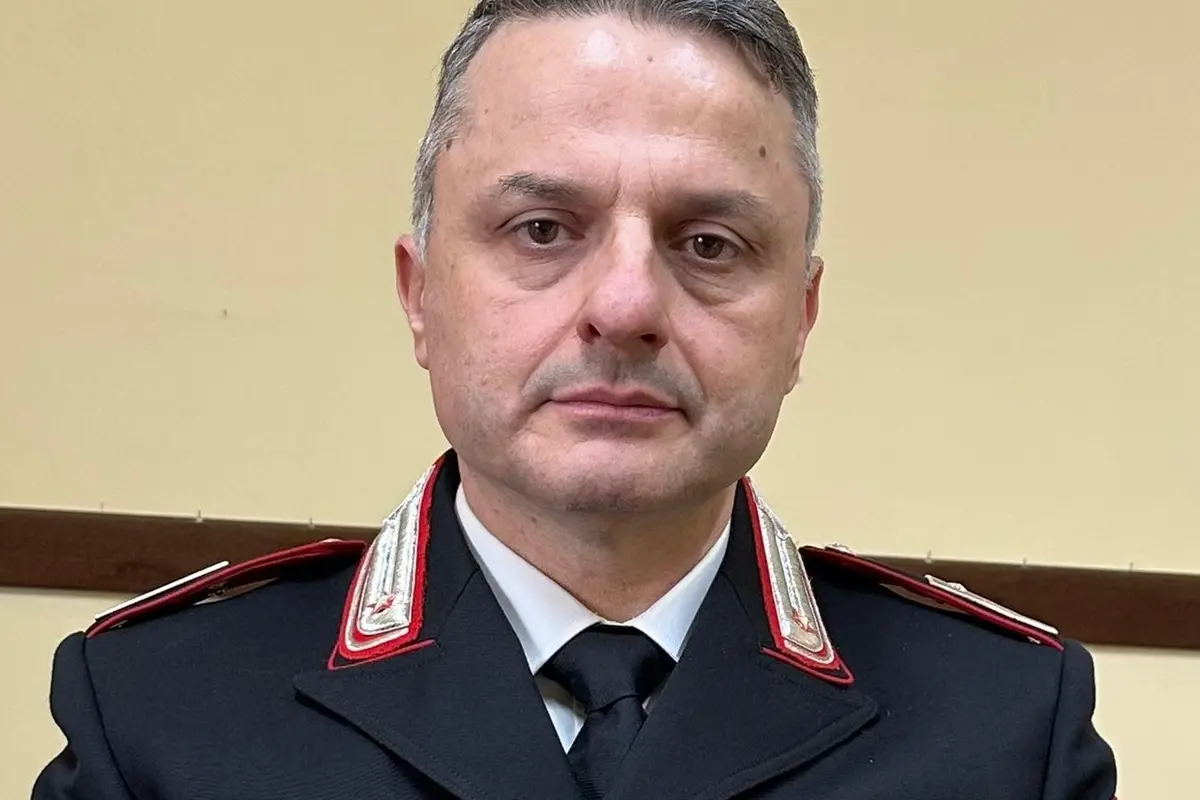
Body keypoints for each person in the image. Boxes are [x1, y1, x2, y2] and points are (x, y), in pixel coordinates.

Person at [34, 1, 1118, 798]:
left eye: (709, 242)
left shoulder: (1004, 728)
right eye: (543, 229)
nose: (626, 305)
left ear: (801, 319)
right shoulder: (161, 709)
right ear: (420, 297)